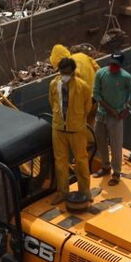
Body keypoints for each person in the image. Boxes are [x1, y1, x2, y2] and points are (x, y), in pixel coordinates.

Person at [48, 56, 92, 202]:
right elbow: (52, 101)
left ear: (73, 72)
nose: (64, 76)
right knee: (60, 162)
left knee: (81, 161)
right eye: (62, 72)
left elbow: (87, 107)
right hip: (59, 128)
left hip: (77, 129)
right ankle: (63, 192)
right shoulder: (54, 84)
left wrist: (76, 119)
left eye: (67, 73)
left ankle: (85, 192)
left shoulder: (82, 86)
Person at [93, 54, 131, 183]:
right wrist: (109, 109)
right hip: (102, 114)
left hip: (117, 117)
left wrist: (127, 108)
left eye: (116, 65)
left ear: (120, 66)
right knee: (100, 141)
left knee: (116, 145)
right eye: (111, 64)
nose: (112, 67)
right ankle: (105, 167)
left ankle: (116, 173)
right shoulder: (101, 73)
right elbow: (96, 93)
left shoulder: (125, 77)